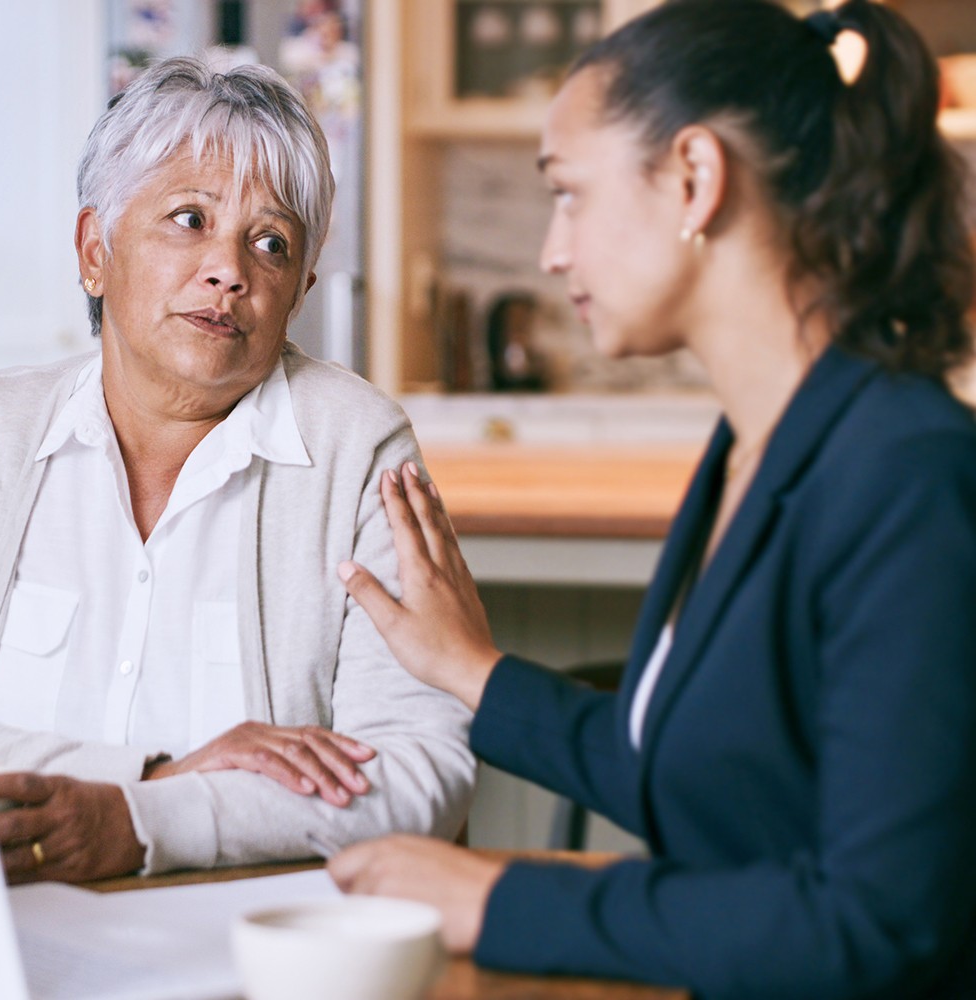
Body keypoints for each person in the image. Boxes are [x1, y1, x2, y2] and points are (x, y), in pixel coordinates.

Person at [329, 1, 976, 997]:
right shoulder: (750, 448)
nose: (551, 251)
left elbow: (880, 923)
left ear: (694, 177)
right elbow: (703, 771)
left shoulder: (904, 472)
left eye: (571, 195)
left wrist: (499, 897)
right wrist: (474, 672)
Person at [0, 57, 474, 883]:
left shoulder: (360, 449)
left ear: (299, 290)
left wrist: (143, 825)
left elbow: (420, 774)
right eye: (188, 219)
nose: (229, 270)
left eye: (271, 242)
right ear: (94, 251)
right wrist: (150, 780)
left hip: (257, 950)